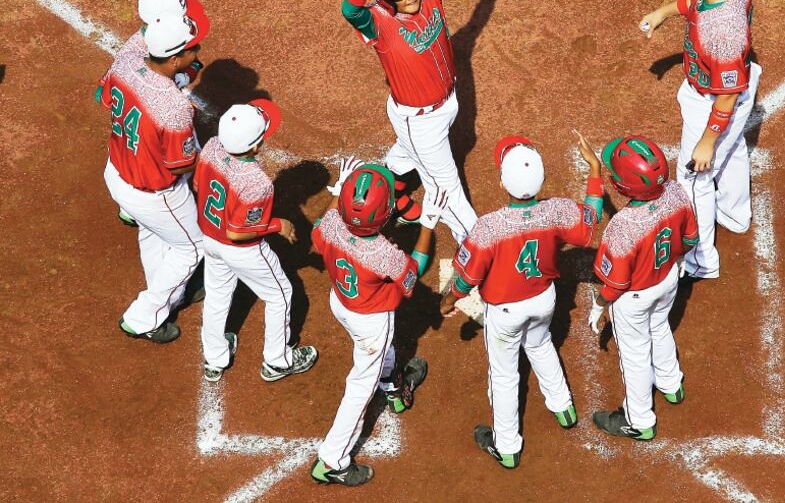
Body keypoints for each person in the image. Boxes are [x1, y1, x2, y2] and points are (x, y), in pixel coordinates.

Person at [440, 133, 603, 469]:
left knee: (503, 376)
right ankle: (563, 407)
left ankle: (507, 446)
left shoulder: (488, 228)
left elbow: (466, 279)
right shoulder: (557, 210)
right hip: (543, 300)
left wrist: (448, 301)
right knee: (541, 345)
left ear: (502, 182)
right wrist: (596, 172)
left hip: (505, 312)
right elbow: (591, 218)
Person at [341, 0, 477, 243]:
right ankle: (480, 254)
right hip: (420, 121)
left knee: (405, 154)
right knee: (448, 191)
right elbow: (349, 10)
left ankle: (395, 192)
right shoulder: (379, 22)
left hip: (445, 103)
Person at [311, 159, 447, 486]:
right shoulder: (383, 253)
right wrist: (427, 224)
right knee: (360, 386)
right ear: (386, 215)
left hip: (342, 303)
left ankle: (394, 386)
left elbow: (320, 226)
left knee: (378, 354)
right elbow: (412, 279)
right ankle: (332, 461)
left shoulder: (329, 227)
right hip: (371, 319)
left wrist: (339, 189)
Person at [639, 0, 761, 280]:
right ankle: (735, 215)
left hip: (716, 99)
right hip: (732, 84)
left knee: (694, 176)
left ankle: (700, 260)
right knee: (734, 146)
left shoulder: (723, 31)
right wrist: (663, 12)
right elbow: (696, 1)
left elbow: (727, 95)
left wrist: (707, 139)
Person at [99, 0, 210, 343]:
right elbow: (180, 163)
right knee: (193, 247)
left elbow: (102, 96)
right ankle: (144, 316)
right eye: (192, 50)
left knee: (155, 231)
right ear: (174, 59)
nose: (198, 53)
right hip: (153, 191)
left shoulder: (125, 65)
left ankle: (169, 290)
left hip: (117, 172)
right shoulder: (175, 107)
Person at [194, 99, 319, 382]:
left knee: (217, 294)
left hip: (209, 239)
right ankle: (277, 360)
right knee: (280, 295)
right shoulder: (257, 183)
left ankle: (214, 359)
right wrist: (279, 225)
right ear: (253, 147)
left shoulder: (213, 146)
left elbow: (198, 186)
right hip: (242, 250)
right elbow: (237, 232)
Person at [587, 136, 698, 440]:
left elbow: (615, 284)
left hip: (634, 297)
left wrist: (599, 304)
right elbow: (690, 239)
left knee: (634, 355)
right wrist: (676, 260)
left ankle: (639, 421)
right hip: (668, 280)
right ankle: (671, 384)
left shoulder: (622, 227)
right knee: (660, 327)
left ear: (624, 186)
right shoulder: (675, 192)